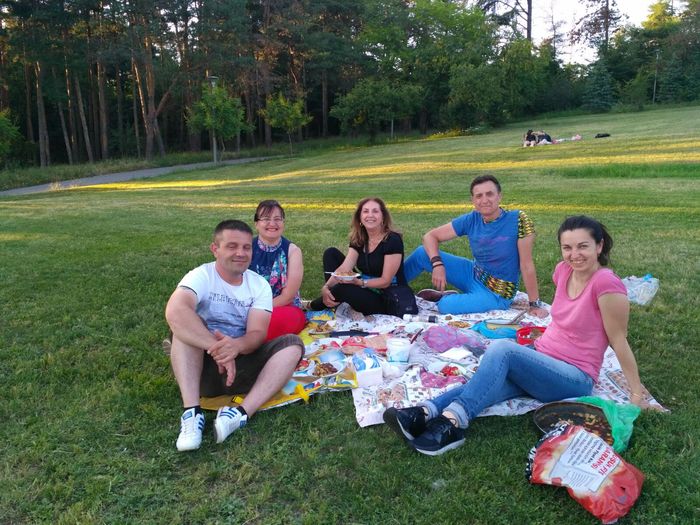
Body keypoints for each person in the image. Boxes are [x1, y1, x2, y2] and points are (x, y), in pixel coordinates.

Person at [384, 215, 649, 456]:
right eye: (567, 247)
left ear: (599, 246)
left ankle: (453, 422)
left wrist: (636, 396)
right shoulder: (563, 271)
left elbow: (619, 340)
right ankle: (423, 412)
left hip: (574, 377)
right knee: (486, 383)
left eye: (583, 246)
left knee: (502, 349)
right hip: (541, 358)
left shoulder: (606, 284)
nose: (574, 255)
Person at [165, 220, 304, 452]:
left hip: (242, 368)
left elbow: (257, 334)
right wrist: (218, 349)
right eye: (232, 246)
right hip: (202, 369)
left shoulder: (258, 284)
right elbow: (175, 310)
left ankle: (240, 414)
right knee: (184, 328)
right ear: (215, 249)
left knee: (293, 344)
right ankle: (191, 413)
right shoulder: (201, 275)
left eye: (246, 247)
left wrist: (236, 347)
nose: (240, 253)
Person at [403, 174, 547, 317]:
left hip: (496, 293)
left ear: (499, 196)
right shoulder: (472, 219)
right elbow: (430, 237)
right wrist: (437, 264)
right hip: (473, 273)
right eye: (479, 196)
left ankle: (449, 297)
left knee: (445, 305)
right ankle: (391, 286)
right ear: (473, 200)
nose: (484, 200)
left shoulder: (518, 220)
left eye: (489, 194)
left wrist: (534, 304)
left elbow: (526, 265)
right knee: (422, 253)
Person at [309, 197, 414, 316]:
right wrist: (326, 287)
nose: (370, 215)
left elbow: (385, 281)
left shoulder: (392, 240)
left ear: (383, 216)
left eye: (375, 211)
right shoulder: (360, 237)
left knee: (342, 288)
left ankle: (312, 305)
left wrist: (359, 283)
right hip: (365, 287)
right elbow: (344, 268)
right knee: (331, 253)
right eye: (365, 211)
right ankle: (332, 297)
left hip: (387, 297)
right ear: (359, 216)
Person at [250, 200, 306, 340]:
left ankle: (247, 341)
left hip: (282, 308)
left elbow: (288, 296)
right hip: (246, 307)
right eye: (266, 219)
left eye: (277, 219)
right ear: (256, 223)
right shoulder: (246, 248)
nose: (272, 224)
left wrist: (256, 311)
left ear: (283, 223)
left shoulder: (293, 251)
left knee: (270, 323)